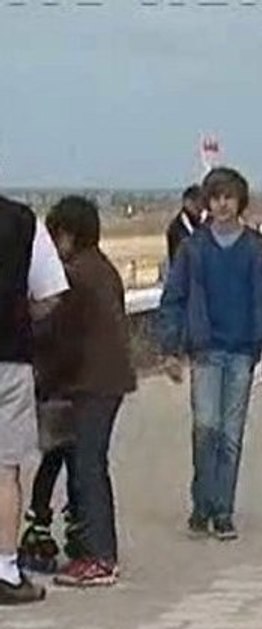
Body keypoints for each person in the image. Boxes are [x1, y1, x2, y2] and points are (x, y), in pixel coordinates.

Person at [157, 167, 262, 541]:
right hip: (206, 350)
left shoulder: (258, 249)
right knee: (205, 428)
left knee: (230, 434)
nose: (222, 204)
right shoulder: (193, 249)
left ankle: (223, 511)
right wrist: (170, 348)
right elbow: (174, 299)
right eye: (215, 198)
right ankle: (203, 501)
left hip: (243, 351)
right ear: (207, 203)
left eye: (229, 197)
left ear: (240, 201)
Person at [24, 197, 137, 588]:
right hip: (108, 379)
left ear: (67, 236)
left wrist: (44, 381)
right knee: (89, 464)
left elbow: (60, 338)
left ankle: (101, 557)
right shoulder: (103, 269)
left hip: (90, 382)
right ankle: (94, 548)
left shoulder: (72, 276)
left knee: (89, 468)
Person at [0, 194, 69, 604]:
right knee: (5, 471)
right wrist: (20, 317)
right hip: (9, 359)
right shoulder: (24, 221)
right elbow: (51, 293)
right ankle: (6, 569)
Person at [165, 184, 204, 265]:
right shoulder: (175, 229)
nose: (200, 208)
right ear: (186, 202)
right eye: (195, 203)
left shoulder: (208, 222)